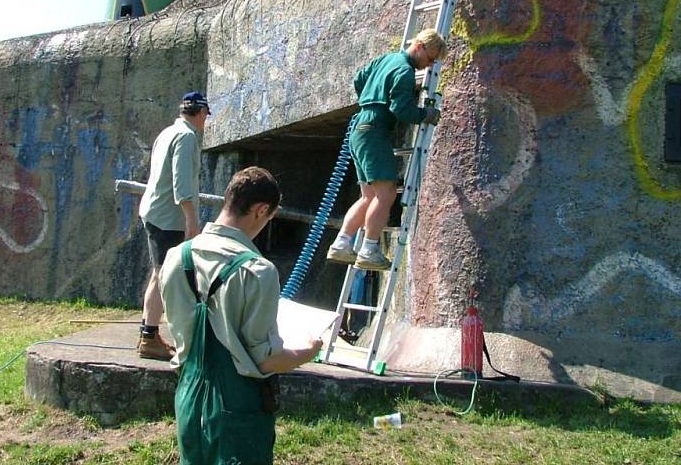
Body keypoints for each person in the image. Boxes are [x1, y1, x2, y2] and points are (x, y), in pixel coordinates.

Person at [160, 166, 322, 465]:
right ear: (261, 210)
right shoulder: (258, 271)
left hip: (188, 395)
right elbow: (264, 358)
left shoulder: (175, 257)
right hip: (238, 405)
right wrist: (308, 351)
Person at [326, 28, 448, 270]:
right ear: (420, 47)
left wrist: (372, 98)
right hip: (374, 130)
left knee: (368, 196)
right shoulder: (404, 71)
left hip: (360, 128)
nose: (430, 65)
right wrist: (426, 114)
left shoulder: (386, 59)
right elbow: (401, 110)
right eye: (431, 58)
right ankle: (369, 248)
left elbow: (359, 79)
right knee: (386, 194)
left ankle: (341, 244)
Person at [136, 91, 210, 360]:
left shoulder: (167, 132)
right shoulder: (187, 137)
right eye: (205, 116)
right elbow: (182, 183)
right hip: (169, 217)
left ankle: (150, 333)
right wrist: (192, 221)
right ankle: (148, 337)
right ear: (201, 113)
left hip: (155, 211)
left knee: (160, 274)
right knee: (162, 275)